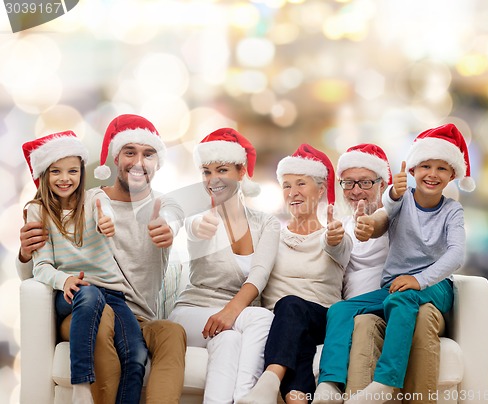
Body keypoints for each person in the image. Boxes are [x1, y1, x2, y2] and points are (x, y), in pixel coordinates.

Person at [17, 114, 187, 404]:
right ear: (114, 157)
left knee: (172, 332)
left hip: (137, 316)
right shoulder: (84, 201)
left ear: (158, 162)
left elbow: (173, 218)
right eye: (129, 152)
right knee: (102, 315)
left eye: (149, 154)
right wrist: (24, 253)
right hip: (85, 309)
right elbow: (37, 270)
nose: (139, 162)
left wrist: (167, 228)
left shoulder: (163, 204)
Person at [314, 123, 474, 404]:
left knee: (401, 299)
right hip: (395, 288)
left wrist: (419, 279)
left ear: (452, 176)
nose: (432, 174)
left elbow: (455, 255)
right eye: (425, 166)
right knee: (341, 309)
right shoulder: (400, 199)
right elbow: (381, 217)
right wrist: (366, 227)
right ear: (411, 170)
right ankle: (329, 384)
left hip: (435, 286)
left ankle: (386, 383)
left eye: (441, 168)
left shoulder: (452, 211)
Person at [22, 131, 148, 404]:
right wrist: (64, 280)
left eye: (72, 171)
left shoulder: (93, 200)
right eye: (55, 171)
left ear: (82, 172)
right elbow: (41, 266)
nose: (65, 178)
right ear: (44, 175)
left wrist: (107, 221)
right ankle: (81, 387)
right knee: (89, 294)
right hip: (73, 293)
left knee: (135, 355)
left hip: (113, 294)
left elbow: (106, 212)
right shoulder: (37, 210)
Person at [168, 127, 280, 404]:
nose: (213, 179)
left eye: (222, 170)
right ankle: (248, 398)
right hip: (193, 314)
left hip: (231, 321)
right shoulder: (199, 214)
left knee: (229, 341)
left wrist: (229, 312)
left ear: (241, 172)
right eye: (206, 172)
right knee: (263, 318)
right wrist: (195, 225)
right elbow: (188, 225)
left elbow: (260, 273)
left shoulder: (266, 223)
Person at [237, 143, 352, 404]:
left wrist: (334, 237)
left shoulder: (334, 235)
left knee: (289, 305)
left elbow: (338, 248)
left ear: (320, 189)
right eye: (287, 185)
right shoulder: (271, 235)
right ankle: (296, 399)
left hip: (321, 318)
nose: (292, 192)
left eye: (301, 183)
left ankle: (270, 380)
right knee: (293, 326)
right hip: (280, 324)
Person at [337, 144, 447, 403]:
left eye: (365, 182)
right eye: (349, 183)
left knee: (421, 313)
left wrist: (372, 223)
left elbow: (381, 221)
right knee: (362, 322)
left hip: (416, 302)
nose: (356, 190)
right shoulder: (336, 228)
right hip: (371, 310)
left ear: (383, 184)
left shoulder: (404, 213)